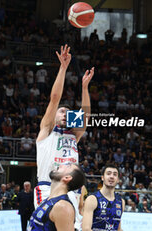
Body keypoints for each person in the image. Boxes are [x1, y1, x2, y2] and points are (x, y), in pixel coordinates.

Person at [34, 44, 94, 207]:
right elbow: (54, 98)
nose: (65, 114)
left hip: (71, 189)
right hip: (48, 186)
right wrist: (63, 67)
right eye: (61, 111)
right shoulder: (46, 130)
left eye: (68, 113)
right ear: (54, 116)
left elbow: (86, 114)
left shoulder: (74, 135)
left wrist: (84, 88)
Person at [28, 163, 86, 231]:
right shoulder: (50, 200)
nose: (60, 165)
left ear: (67, 178)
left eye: (68, 166)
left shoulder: (63, 206)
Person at [82, 164, 125, 231]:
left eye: (115, 174)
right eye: (108, 174)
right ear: (102, 178)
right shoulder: (92, 199)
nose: (111, 177)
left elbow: (118, 228)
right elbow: (86, 229)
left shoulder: (121, 201)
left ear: (118, 180)